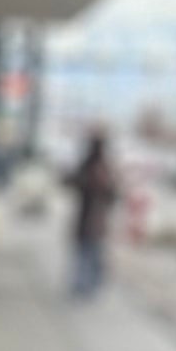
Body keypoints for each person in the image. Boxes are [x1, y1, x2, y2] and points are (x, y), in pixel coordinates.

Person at [67, 128, 118, 299]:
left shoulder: (99, 167)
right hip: (90, 219)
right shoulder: (94, 166)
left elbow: (112, 194)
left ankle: (86, 286)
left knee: (90, 255)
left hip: (93, 220)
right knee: (88, 254)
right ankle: (84, 286)